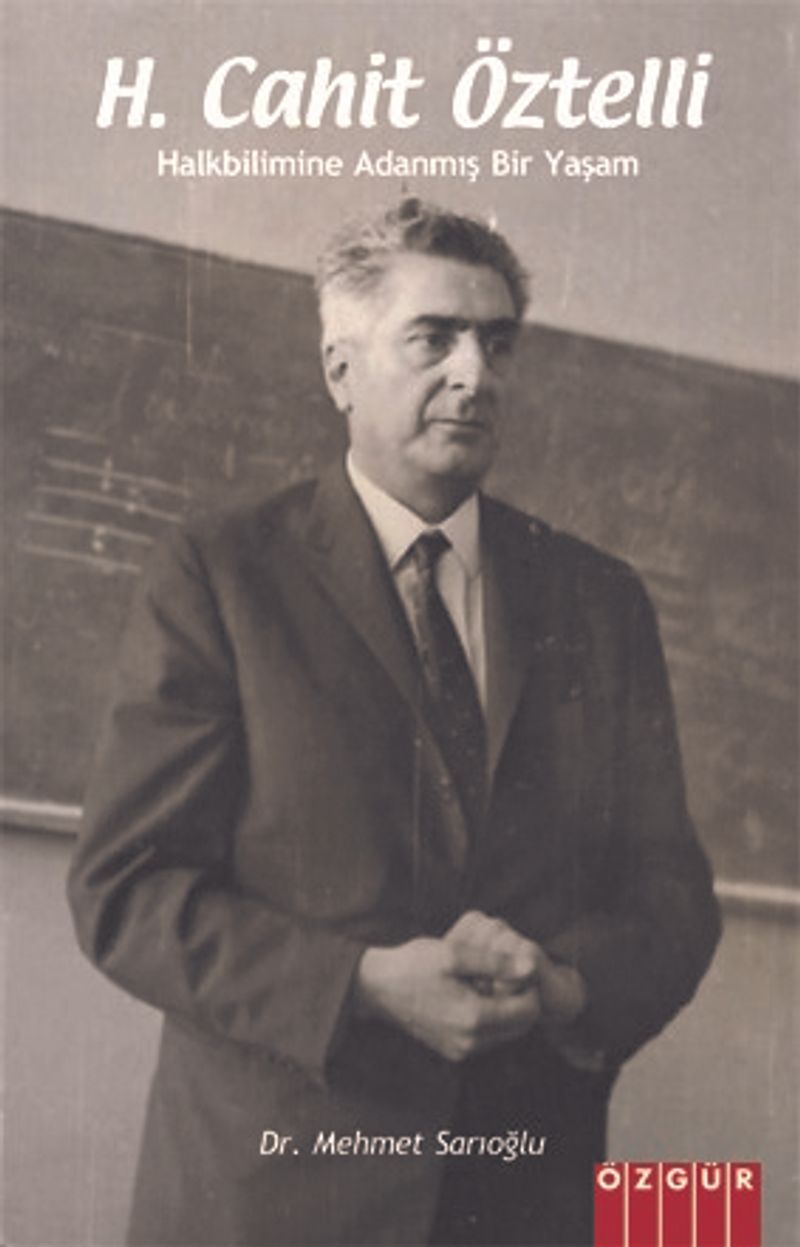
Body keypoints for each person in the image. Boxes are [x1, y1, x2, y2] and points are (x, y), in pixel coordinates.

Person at [67, 198, 720, 1247]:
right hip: (271, 1200)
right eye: (434, 338)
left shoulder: (599, 600)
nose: (475, 373)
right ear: (341, 369)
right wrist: (360, 985)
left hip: (518, 1200)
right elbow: (126, 888)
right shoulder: (221, 575)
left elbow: (670, 893)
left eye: (496, 343)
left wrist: (563, 986)